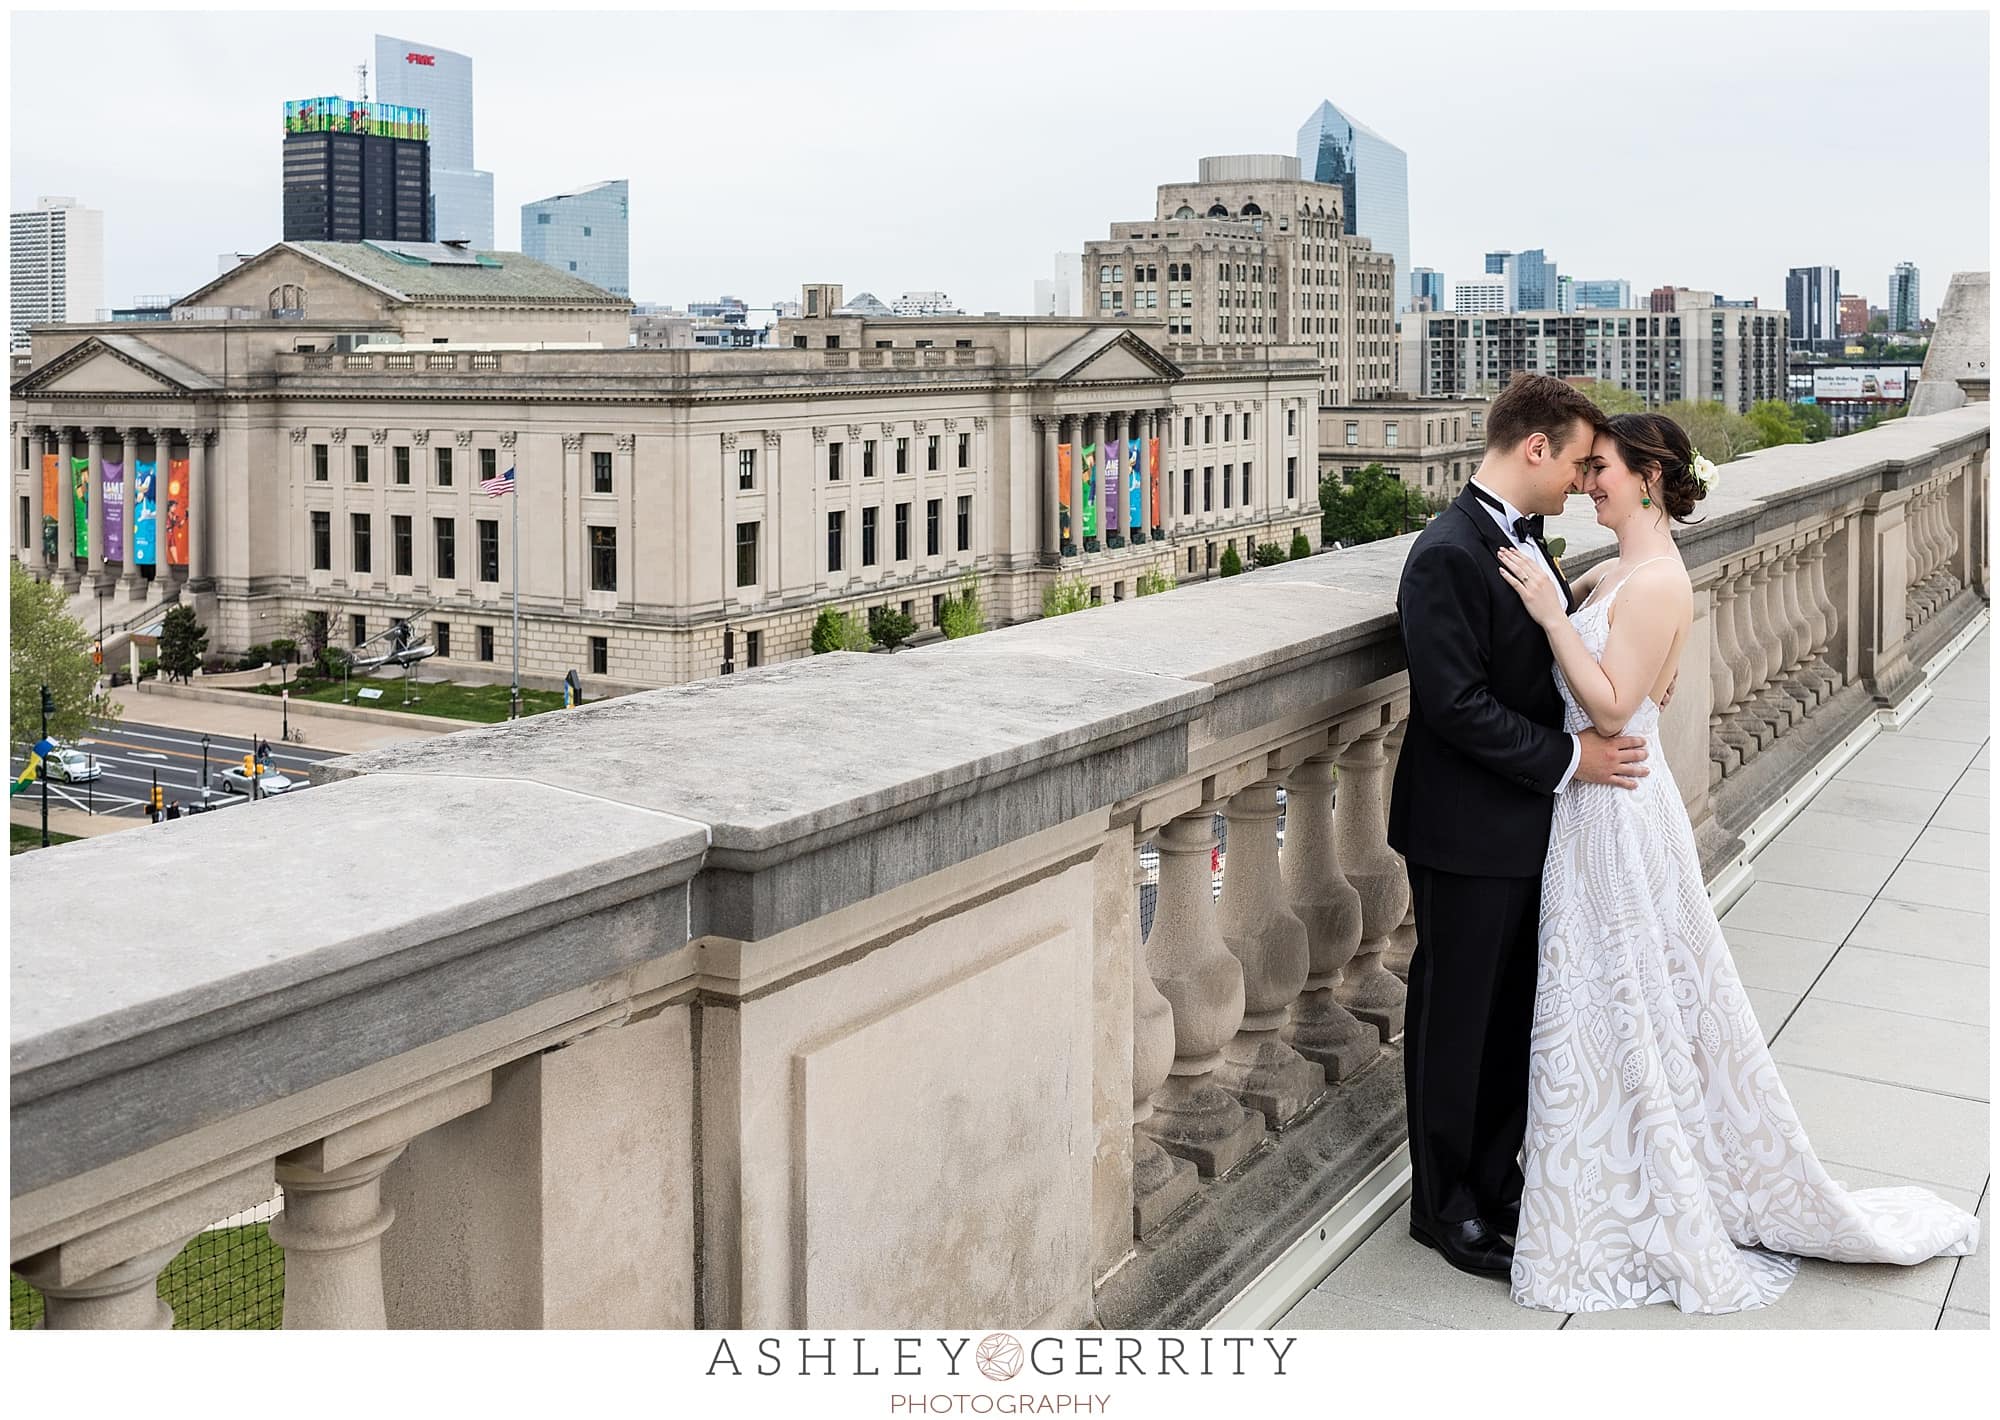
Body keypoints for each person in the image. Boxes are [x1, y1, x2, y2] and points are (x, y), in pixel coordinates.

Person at [1493, 410, 1978, 1313]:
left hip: (1614, 814)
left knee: (1622, 998)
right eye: (1585, 467)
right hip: (1590, 813)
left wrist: (1558, 620)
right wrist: (1568, 610)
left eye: (1599, 469)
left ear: (1647, 476)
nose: (1587, 483)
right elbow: (1624, 675)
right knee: (1599, 1002)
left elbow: (1606, 710)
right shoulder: (1616, 573)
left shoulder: (1659, 583)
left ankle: (1632, 1186)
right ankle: (1603, 1168)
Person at [1388, 374, 1653, 1279]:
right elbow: (1455, 705)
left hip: (1530, 825)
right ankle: (1443, 1206)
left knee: (1512, 1017)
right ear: (1534, 448)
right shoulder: (1447, 553)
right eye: (1579, 461)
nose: (1586, 480)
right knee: (1455, 1020)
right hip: (1463, 829)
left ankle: (1495, 1183)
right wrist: (1574, 761)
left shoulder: (1527, 541)